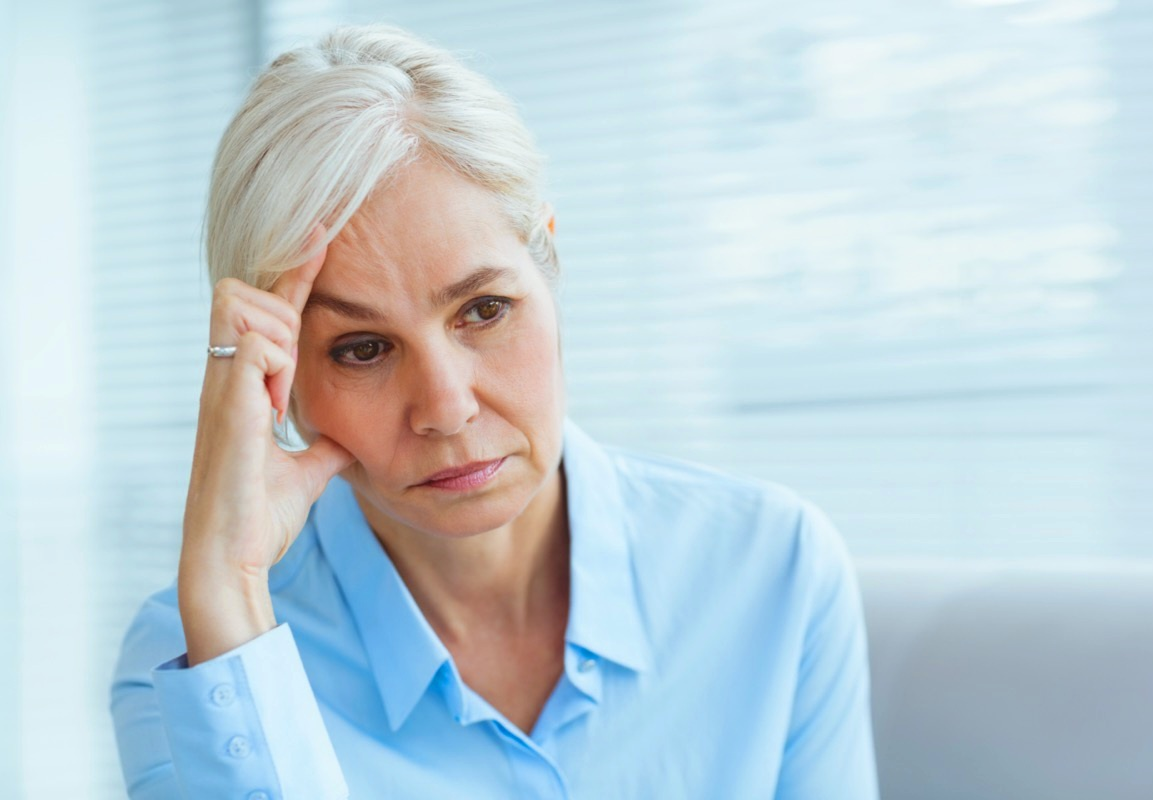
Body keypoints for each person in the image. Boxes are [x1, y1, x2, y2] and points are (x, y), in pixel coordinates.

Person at [110, 23, 878, 800]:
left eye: (483, 310)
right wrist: (232, 591)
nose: (445, 409)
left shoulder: (770, 568)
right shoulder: (195, 662)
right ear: (279, 378)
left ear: (549, 264)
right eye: (362, 349)